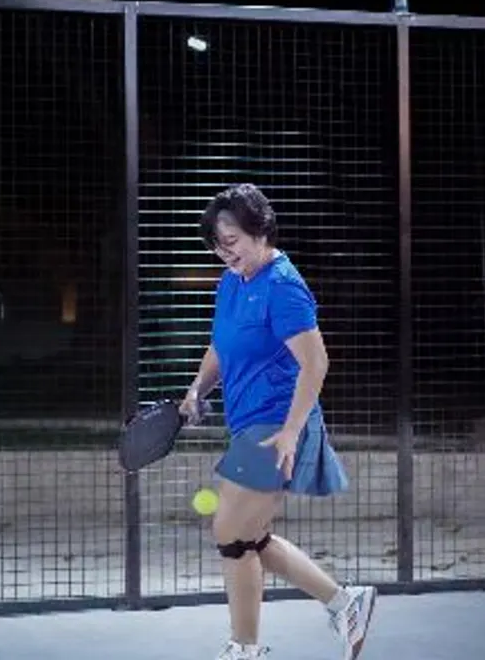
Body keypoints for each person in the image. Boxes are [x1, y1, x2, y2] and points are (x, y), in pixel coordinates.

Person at [179, 183, 377, 660]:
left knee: (229, 532)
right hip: (247, 423)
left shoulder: (283, 286)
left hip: (277, 423)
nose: (224, 252)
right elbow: (222, 345)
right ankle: (345, 602)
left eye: (231, 240)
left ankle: (245, 650)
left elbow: (316, 363)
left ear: (260, 230)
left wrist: (290, 432)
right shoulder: (232, 282)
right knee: (249, 537)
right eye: (217, 244)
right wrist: (197, 388)